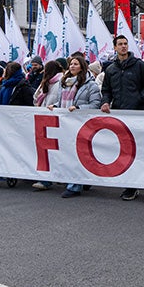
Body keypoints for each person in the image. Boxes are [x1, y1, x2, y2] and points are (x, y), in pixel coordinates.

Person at [100, 34, 144, 201]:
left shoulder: (139, 66)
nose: (123, 46)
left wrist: (138, 99)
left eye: (125, 44)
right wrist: (106, 102)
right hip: (120, 115)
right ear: (115, 47)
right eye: (120, 44)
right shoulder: (110, 69)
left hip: (137, 114)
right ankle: (130, 186)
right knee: (125, 151)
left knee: (140, 150)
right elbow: (106, 89)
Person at [47, 54, 103, 198]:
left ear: (82, 67)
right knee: (68, 154)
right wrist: (56, 106)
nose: (72, 66)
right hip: (66, 125)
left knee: (77, 155)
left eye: (76, 64)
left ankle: (74, 186)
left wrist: (79, 107)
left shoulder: (90, 85)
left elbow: (95, 104)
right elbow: (62, 102)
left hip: (80, 125)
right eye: (71, 64)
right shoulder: (64, 83)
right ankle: (81, 180)